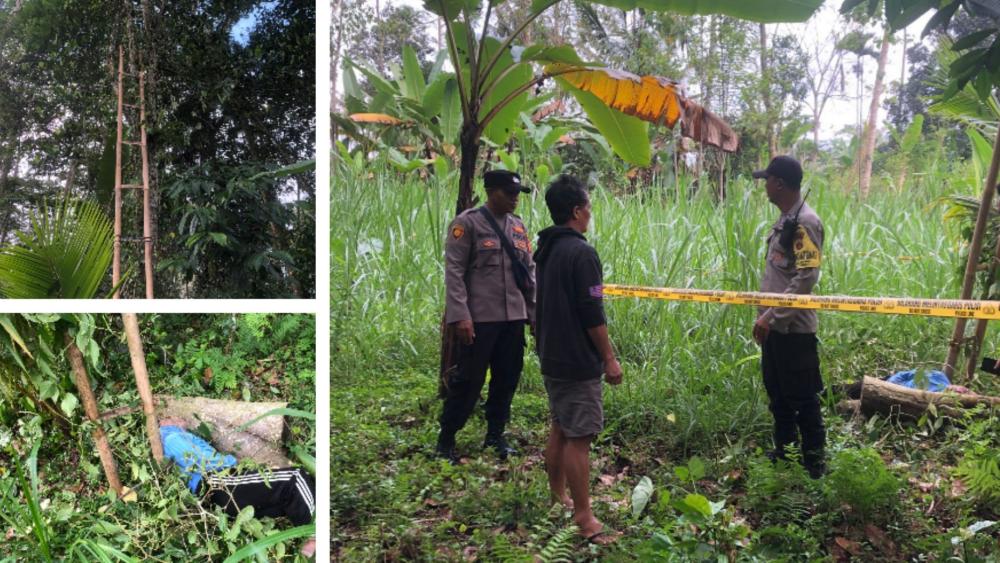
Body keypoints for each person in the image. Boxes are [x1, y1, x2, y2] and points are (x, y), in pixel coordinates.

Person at [533, 175, 623, 544]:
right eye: (587, 207)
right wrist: (609, 358)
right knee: (579, 438)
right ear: (575, 211)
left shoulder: (546, 247)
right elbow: (591, 311)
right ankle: (584, 518)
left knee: (560, 426)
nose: (590, 213)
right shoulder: (582, 253)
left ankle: (559, 498)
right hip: (575, 358)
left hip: (552, 354)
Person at [436, 169, 536, 462]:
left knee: (507, 378)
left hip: (512, 319)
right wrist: (460, 315)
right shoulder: (467, 224)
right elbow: (454, 273)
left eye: (518, 194)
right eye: (509, 193)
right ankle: (446, 439)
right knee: (468, 381)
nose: (515, 199)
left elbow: (528, 273)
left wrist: (533, 313)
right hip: (479, 320)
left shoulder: (518, 227)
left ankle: (495, 435)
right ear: (492, 192)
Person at [751, 155, 826, 478]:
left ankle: (814, 464)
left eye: (767, 179)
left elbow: (807, 277)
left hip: (793, 329)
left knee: (802, 398)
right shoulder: (786, 220)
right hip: (775, 328)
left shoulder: (806, 222)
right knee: (778, 394)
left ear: (779, 184)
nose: (764, 185)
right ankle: (784, 454)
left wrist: (771, 316)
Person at [158, 418, 317, 558]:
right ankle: (313, 537)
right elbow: (198, 457)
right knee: (295, 478)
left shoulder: (178, 437)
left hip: (223, 495)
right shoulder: (170, 436)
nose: (180, 419)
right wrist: (169, 428)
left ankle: (309, 548)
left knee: (291, 497)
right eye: (173, 418)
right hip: (219, 484)